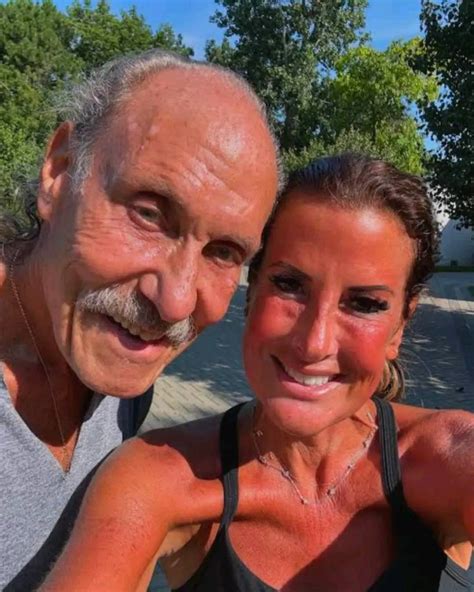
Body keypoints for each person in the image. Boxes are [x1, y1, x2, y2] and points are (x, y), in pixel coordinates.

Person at [40, 154, 473, 592]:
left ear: (400, 325)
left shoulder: (449, 457)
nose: (315, 343)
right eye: (289, 284)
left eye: (364, 304)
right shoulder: (160, 480)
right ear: (252, 291)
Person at [0, 48, 280, 591]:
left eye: (224, 252)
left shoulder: (120, 371)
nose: (175, 302)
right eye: (149, 214)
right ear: (59, 172)